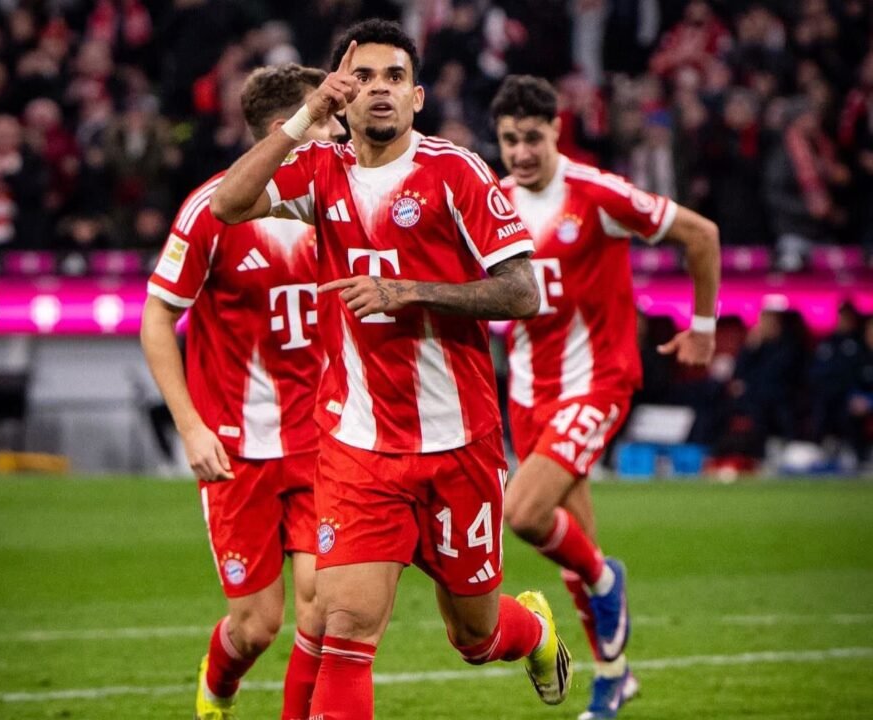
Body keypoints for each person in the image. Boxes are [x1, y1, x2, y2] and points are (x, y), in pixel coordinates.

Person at [209, 19, 572, 720]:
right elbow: (228, 204)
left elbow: (523, 293)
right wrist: (305, 118)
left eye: (395, 78)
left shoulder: (456, 173)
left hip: (458, 440)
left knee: (475, 636)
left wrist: (407, 291)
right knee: (345, 627)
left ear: (417, 97)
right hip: (359, 445)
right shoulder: (321, 171)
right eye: (365, 77)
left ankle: (531, 631)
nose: (380, 89)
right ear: (343, 96)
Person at [489, 75, 720, 720]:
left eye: (532, 138)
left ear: (555, 132)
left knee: (524, 514)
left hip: (597, 381)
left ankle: (606, 578)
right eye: (509, 140)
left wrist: (703, 329)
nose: (521, 152)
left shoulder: (597, 193)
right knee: (572, 544)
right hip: (528, 392)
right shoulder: (494, 202)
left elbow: (701, 234)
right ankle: (615, 677)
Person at [140, 63, 346, 720]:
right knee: (256, 627)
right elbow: (157, 317)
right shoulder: (215, 209)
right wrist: (191, 427)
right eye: (327, 119)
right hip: (236, 449)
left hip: (322, 443)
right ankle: (218, 685)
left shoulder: (340, 197)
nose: (340, 131)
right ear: (293, 127)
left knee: (324, 608)